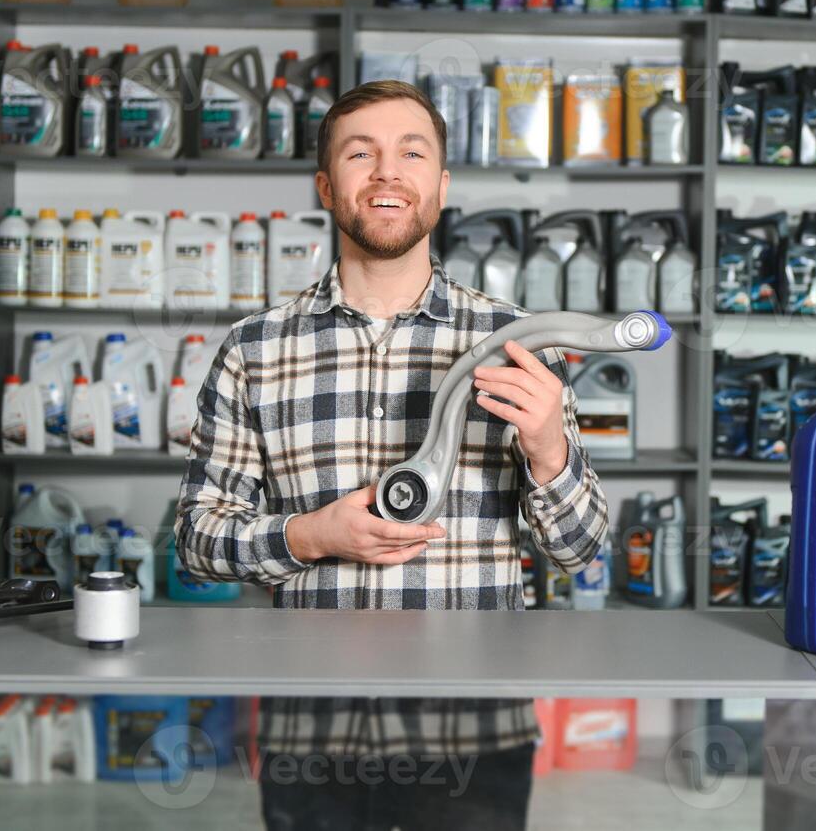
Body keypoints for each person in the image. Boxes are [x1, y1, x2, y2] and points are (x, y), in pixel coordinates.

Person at [175, 79, 609, 830]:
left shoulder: (516, 342)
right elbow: (196, 542)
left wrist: (546, 447)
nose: (385, 173)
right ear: (325, 184)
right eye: (359, 153)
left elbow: (580, 549)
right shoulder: (255, 350)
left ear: (439, 186)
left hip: (470, 733)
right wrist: (313, 535)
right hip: (311, 733)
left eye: (411, 153)